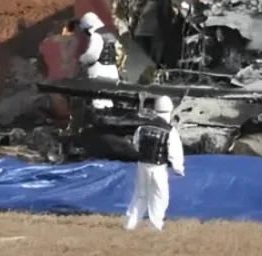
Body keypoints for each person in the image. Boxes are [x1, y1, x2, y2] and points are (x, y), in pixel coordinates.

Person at [124, 95, 185, 232]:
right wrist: (178, 169)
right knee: (160, 196)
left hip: (142, 165)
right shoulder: (170, 131)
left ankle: (130, 223)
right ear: (169, 111)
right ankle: (155, 225)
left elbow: (136, 145)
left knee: (140, 195)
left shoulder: (142, 128)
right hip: (158, 168)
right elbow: (174, 153)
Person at [77, 12, 122, 110]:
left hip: (100, 72)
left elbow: (92, 56)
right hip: (112, 70)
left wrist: (81, 58)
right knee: (108, 101)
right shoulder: (110, 33)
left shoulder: (96, 36)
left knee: (98, 103)